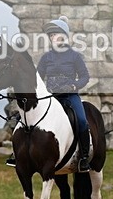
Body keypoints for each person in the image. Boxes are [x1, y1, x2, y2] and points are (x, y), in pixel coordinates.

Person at [6, 16, 91, 172]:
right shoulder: (46, 58)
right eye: (51, 36)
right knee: (21, 119)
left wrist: (74, 85)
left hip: (70, 96)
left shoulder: (74, 56)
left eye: (56, 34)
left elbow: (85, 76)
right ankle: (16, 154)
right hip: (51, 97)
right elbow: (37, 79)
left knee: (82, 120)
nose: (53, 38)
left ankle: (84, 157)